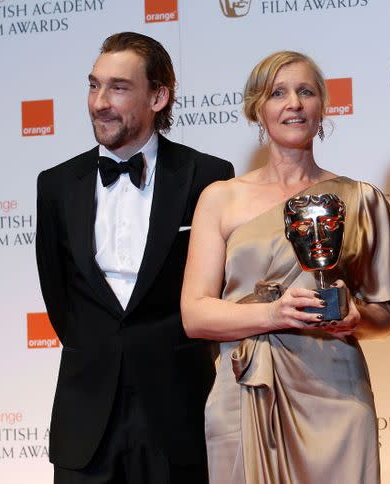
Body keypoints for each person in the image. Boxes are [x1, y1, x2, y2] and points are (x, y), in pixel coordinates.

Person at [180, 50, 390, 483]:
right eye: (278, 93)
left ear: (322, 108)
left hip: (336, 395)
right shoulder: (220, 198)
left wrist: (354, 317)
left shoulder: (360, 199)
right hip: (247, 388)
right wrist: (271, 314)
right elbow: (195, 315)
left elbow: (383, 318)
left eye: (305, 92)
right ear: (258, 109)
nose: (293, 103)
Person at [35, 32, 234, 484]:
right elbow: (58, 294)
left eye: (119, 87)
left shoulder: (208, 176)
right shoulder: (56, 184)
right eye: (93, 85)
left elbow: (217, 291)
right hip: (85, 418)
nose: (100, 102)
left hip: (177, 413)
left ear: (158, 96)